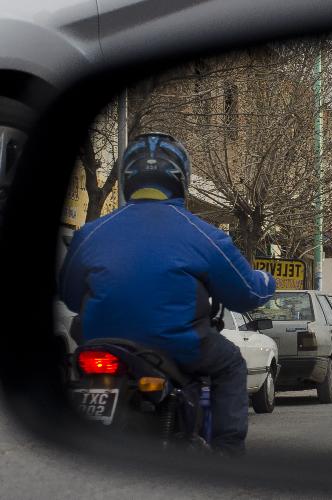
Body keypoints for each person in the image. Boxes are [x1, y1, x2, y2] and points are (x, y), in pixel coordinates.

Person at [59, 132, 275, 456]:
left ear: (127, 177)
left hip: (98, 342)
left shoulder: (90, 233)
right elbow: (247, 293)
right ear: (180, 179)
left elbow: (70, 294)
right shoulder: (203, 235)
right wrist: (267, 280)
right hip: (178, 345)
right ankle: (228, 457)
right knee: (231, 364)